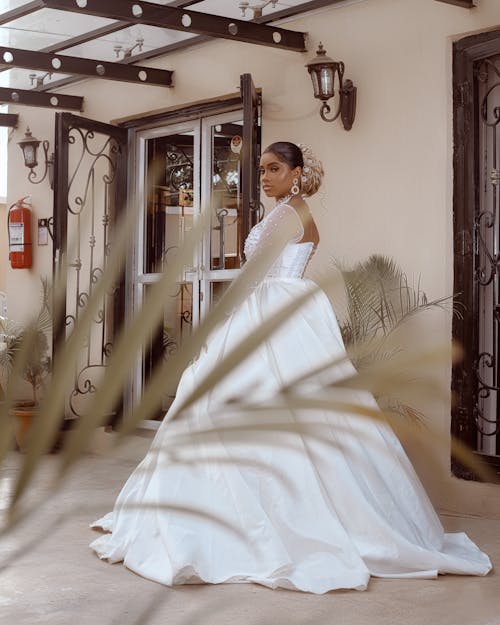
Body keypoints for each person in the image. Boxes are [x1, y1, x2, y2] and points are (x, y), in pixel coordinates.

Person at [90, 141, 491, 593]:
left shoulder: (286, 215)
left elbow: (253, 276)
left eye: (274, 169)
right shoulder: (293, 212)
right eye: (261, 170)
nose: (263, 177)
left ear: (296, 172)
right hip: (289, 310)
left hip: (270, 312)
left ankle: (253, 523)